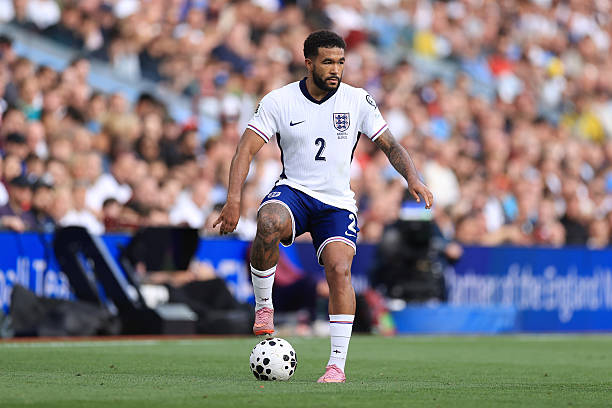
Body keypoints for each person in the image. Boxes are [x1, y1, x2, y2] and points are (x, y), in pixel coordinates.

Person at [214, 30, 433, 383]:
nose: (336, 69)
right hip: (295, 192)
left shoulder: (357, 100)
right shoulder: (279, 101)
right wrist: (233, 199)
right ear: (309, 63)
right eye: (328, 62)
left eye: (341, 62)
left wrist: (414, 178)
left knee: (339, 270)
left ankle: (336, 366)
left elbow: (391, 145)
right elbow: (245, 150)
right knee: (267, 222)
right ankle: (265, 307)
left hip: (337, 203)